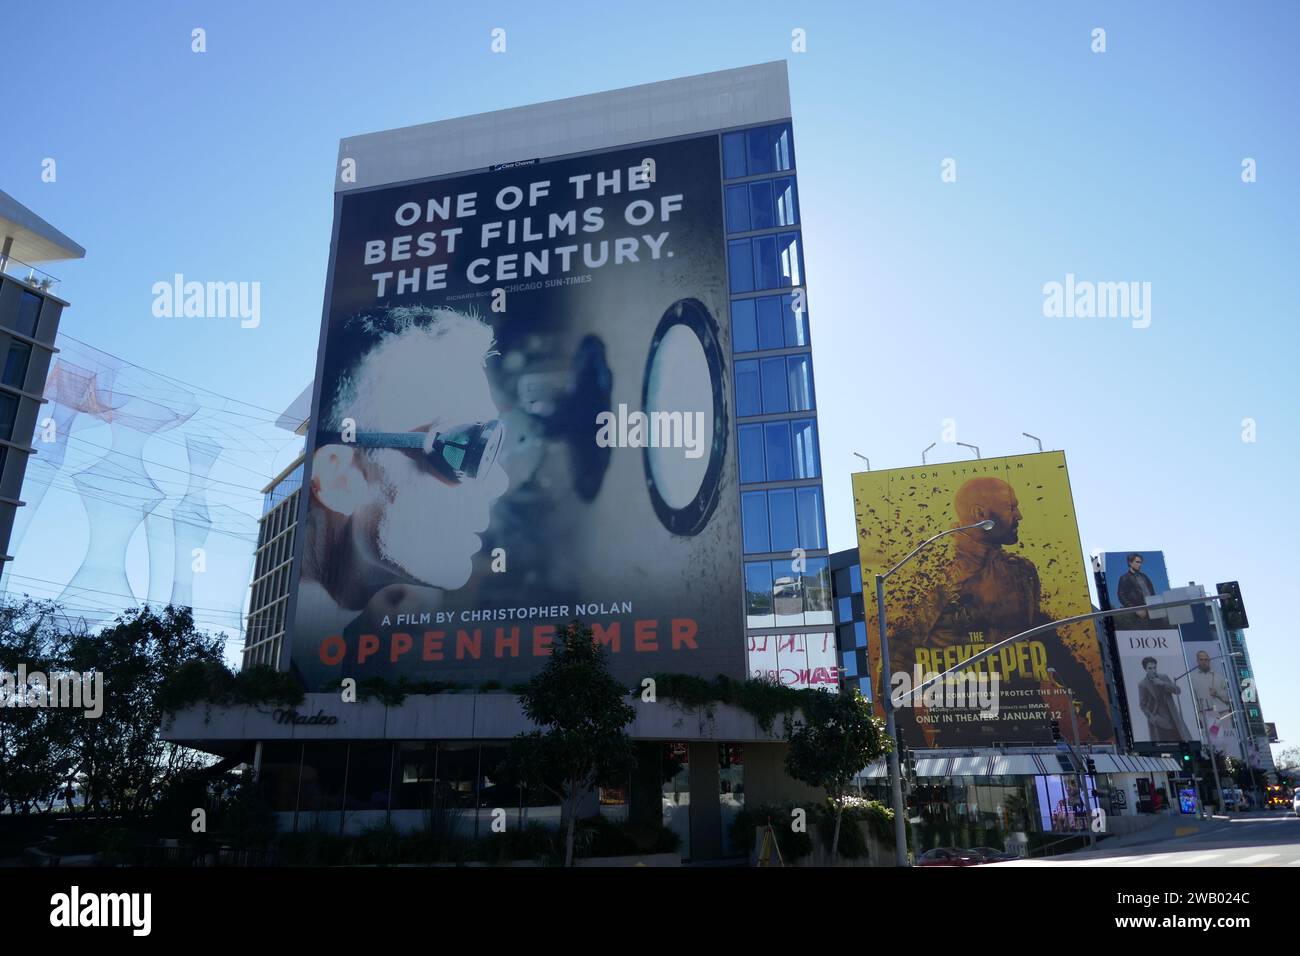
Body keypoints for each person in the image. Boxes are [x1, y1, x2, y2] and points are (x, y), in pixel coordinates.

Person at [295, 306, 510, 684]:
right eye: (462, 447)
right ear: (339, 478)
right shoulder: (267, 687)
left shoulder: (316, 682)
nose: (498, 483)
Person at [901, 476, 1110, 745]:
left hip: (1031, 728)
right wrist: (911, 746)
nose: (1019, 515)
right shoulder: (934, 577)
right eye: (1011, 507)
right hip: (962, 737)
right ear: (980, 514)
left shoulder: (1021, 571)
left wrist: (1092, 704)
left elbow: (1046, 640)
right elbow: (898, 660)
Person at [1138, 656, 1192, 741]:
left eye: (1155, 667)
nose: (1153, 670)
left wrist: (1163, 684)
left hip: (1172, 716)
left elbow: (1177, 690)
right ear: (1145, 669)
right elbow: (1142, 704)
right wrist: (1152, 718)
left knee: (1181, 740)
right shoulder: (1143, 684)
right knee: (1163, 745)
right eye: (1150, 668)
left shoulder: (1163, 677)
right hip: (1158, 720)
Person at [1116, 553, 1156, 627]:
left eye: (1140, 562)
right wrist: (1135, 610)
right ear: (1130, 563)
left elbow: (1152, 592)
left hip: (1151, 610)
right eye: (1137, 562)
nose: (1140, 564)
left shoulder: (1144, 576)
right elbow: (1121, 595)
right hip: (1138, 613)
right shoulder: (1125, 578)